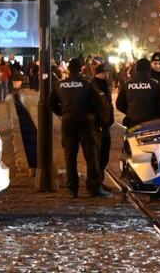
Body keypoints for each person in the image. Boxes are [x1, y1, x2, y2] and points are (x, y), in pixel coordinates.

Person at [48, 58, 112, 199]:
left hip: (68, 123)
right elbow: (98, 105)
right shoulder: (87, 85)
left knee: (70, 156)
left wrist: (63, 112)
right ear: (81, 69)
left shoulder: (61, 85)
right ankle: (95, 188)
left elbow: (51, 103)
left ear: (69, 69)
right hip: (86, 123)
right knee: (91, 156)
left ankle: (72, 189)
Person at [116, 58, 160, 127]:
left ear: (136, 69)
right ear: (149, 68)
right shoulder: (155, 84)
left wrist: (130, 113)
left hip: (132, 122)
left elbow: (119, 104)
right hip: (151, 122)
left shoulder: (127, 84)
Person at [92, 63, 115, 175]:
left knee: (104, 155)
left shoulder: (106, 87)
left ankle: (99, 180)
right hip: (97, 127)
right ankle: (95, 182)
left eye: (107, 73)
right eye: (103, 73)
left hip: (106, 126)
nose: (105, 75)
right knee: (97, 156)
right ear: (97, 74)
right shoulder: (93, 87)